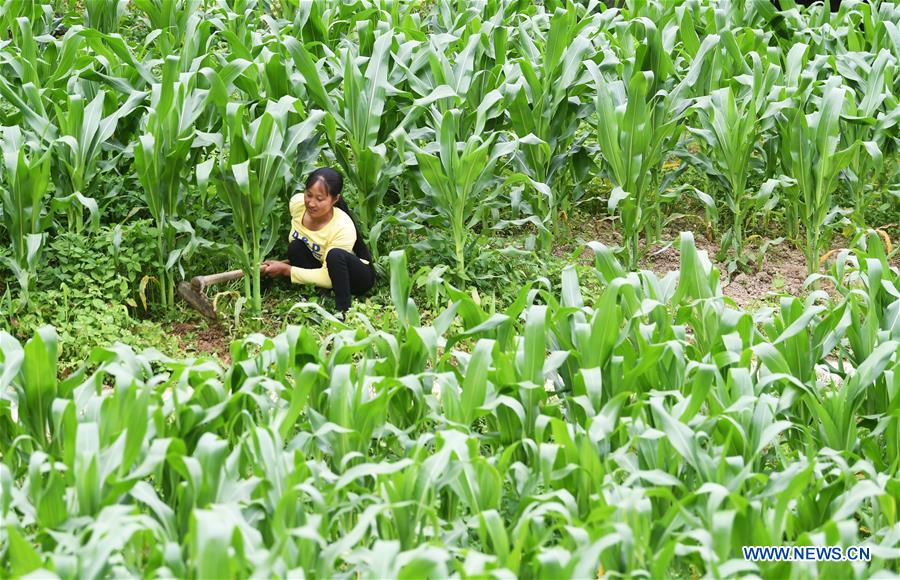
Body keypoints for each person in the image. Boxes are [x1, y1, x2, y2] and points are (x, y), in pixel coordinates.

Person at [261, 167, 376, 316]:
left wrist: (286, 270)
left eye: (319, 199)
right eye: (308, 195)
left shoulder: (343, 227)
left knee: (335, 255)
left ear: (334, 199)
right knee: (295, 247)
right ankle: (318, 293)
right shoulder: (297, 205)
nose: (311, 203)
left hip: (354, 278)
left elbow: (329, 277)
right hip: (321, 264)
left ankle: (343, 310)